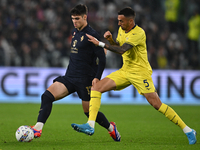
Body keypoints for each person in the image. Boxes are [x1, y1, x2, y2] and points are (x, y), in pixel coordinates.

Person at [71, 7, 197, 145]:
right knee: (96, 87)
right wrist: (111, 40)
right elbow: (119, 46)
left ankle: (188, 130)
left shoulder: (139, 33)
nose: (118, 23)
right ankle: (90, 125)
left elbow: (123, 49)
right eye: (118, 20)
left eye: (121, 21)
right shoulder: (122, 29)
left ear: (130, 21)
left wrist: (101, 44)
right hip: (125, 71)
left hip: (140, 73)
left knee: (156, 104)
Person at [31, 4, 121, 142]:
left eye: (77, 18)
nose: (74, 21)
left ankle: (111, 128)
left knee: (88, 112)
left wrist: (97, 78)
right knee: (46, 96)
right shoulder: (75, 32)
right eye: (73, 18)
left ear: (85, 17)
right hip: (70, 77)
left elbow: (102, 59)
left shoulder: (92, 35)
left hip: (85, 80)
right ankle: (38, 128)